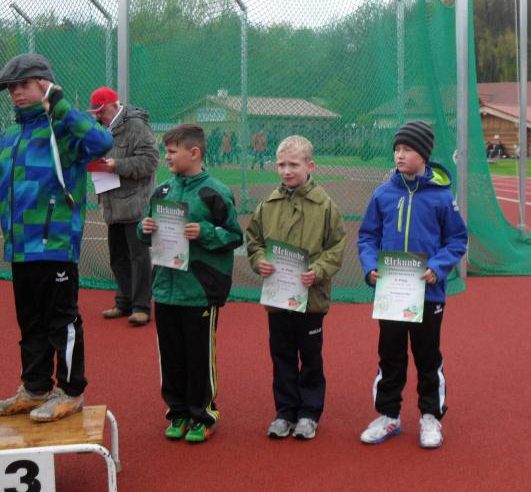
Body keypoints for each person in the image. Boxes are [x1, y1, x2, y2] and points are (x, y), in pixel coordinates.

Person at [0, 54, 113, 422]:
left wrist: (60, 105)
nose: (16, 92)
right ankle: (35, 388)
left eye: (24, 84)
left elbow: (102, 141)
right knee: (30, 323)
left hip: (55, 245)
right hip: (20, 248)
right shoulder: (10, 137)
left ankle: (71, 391)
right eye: (11, 87)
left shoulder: (63, 129)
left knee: (61, 323)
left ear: (45, 84)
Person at [357, 121, 468, 449]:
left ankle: (430, 416)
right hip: (391, 294)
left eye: (407, 149)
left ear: (423, 154)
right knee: (390, 355)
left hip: (429, 293)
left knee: (427, 356)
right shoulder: (383, 194)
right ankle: (388, 415)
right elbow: (367, 237)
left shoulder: (442, 197)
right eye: (397, 149)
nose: (400, 155)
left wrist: (437, 267)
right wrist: (370, 268)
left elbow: (456, 240)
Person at [137, 124, 243, 443]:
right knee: (170, 356)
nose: (166, 157)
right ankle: (178, 411)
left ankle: (203, 414)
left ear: (194, 153)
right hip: (165, 289)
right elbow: (146, 234)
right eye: (165, 151)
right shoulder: (162, 192)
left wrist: (204, 232)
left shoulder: (215, 192)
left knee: (199, 358)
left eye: (172, 151)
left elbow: (234, 235)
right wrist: (145, 228)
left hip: (199, 291)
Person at [246, 135, 346, 441]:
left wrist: (318, 271)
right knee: (282, 356)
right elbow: (254, 241)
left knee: (311, 358)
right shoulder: (268, 204)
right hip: (278, 298)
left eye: (293, 164)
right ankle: (285, 412)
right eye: (281, 164)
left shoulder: (325, 205)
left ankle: (309, 414)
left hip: (311, 299)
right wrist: (260, 261)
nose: (286, 171)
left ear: (309, 166)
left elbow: (336, 246)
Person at [89, 87, 160, 326]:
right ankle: (124, 301)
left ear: (113, 105)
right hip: (111, 202)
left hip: (135, 202)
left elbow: (151, 160)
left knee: (138, 257)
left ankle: (141, 306)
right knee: (118, 256)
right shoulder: (100, 129)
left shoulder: (136, 126)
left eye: (101, 111)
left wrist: (116, 165)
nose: (99, 116)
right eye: (96, 113)